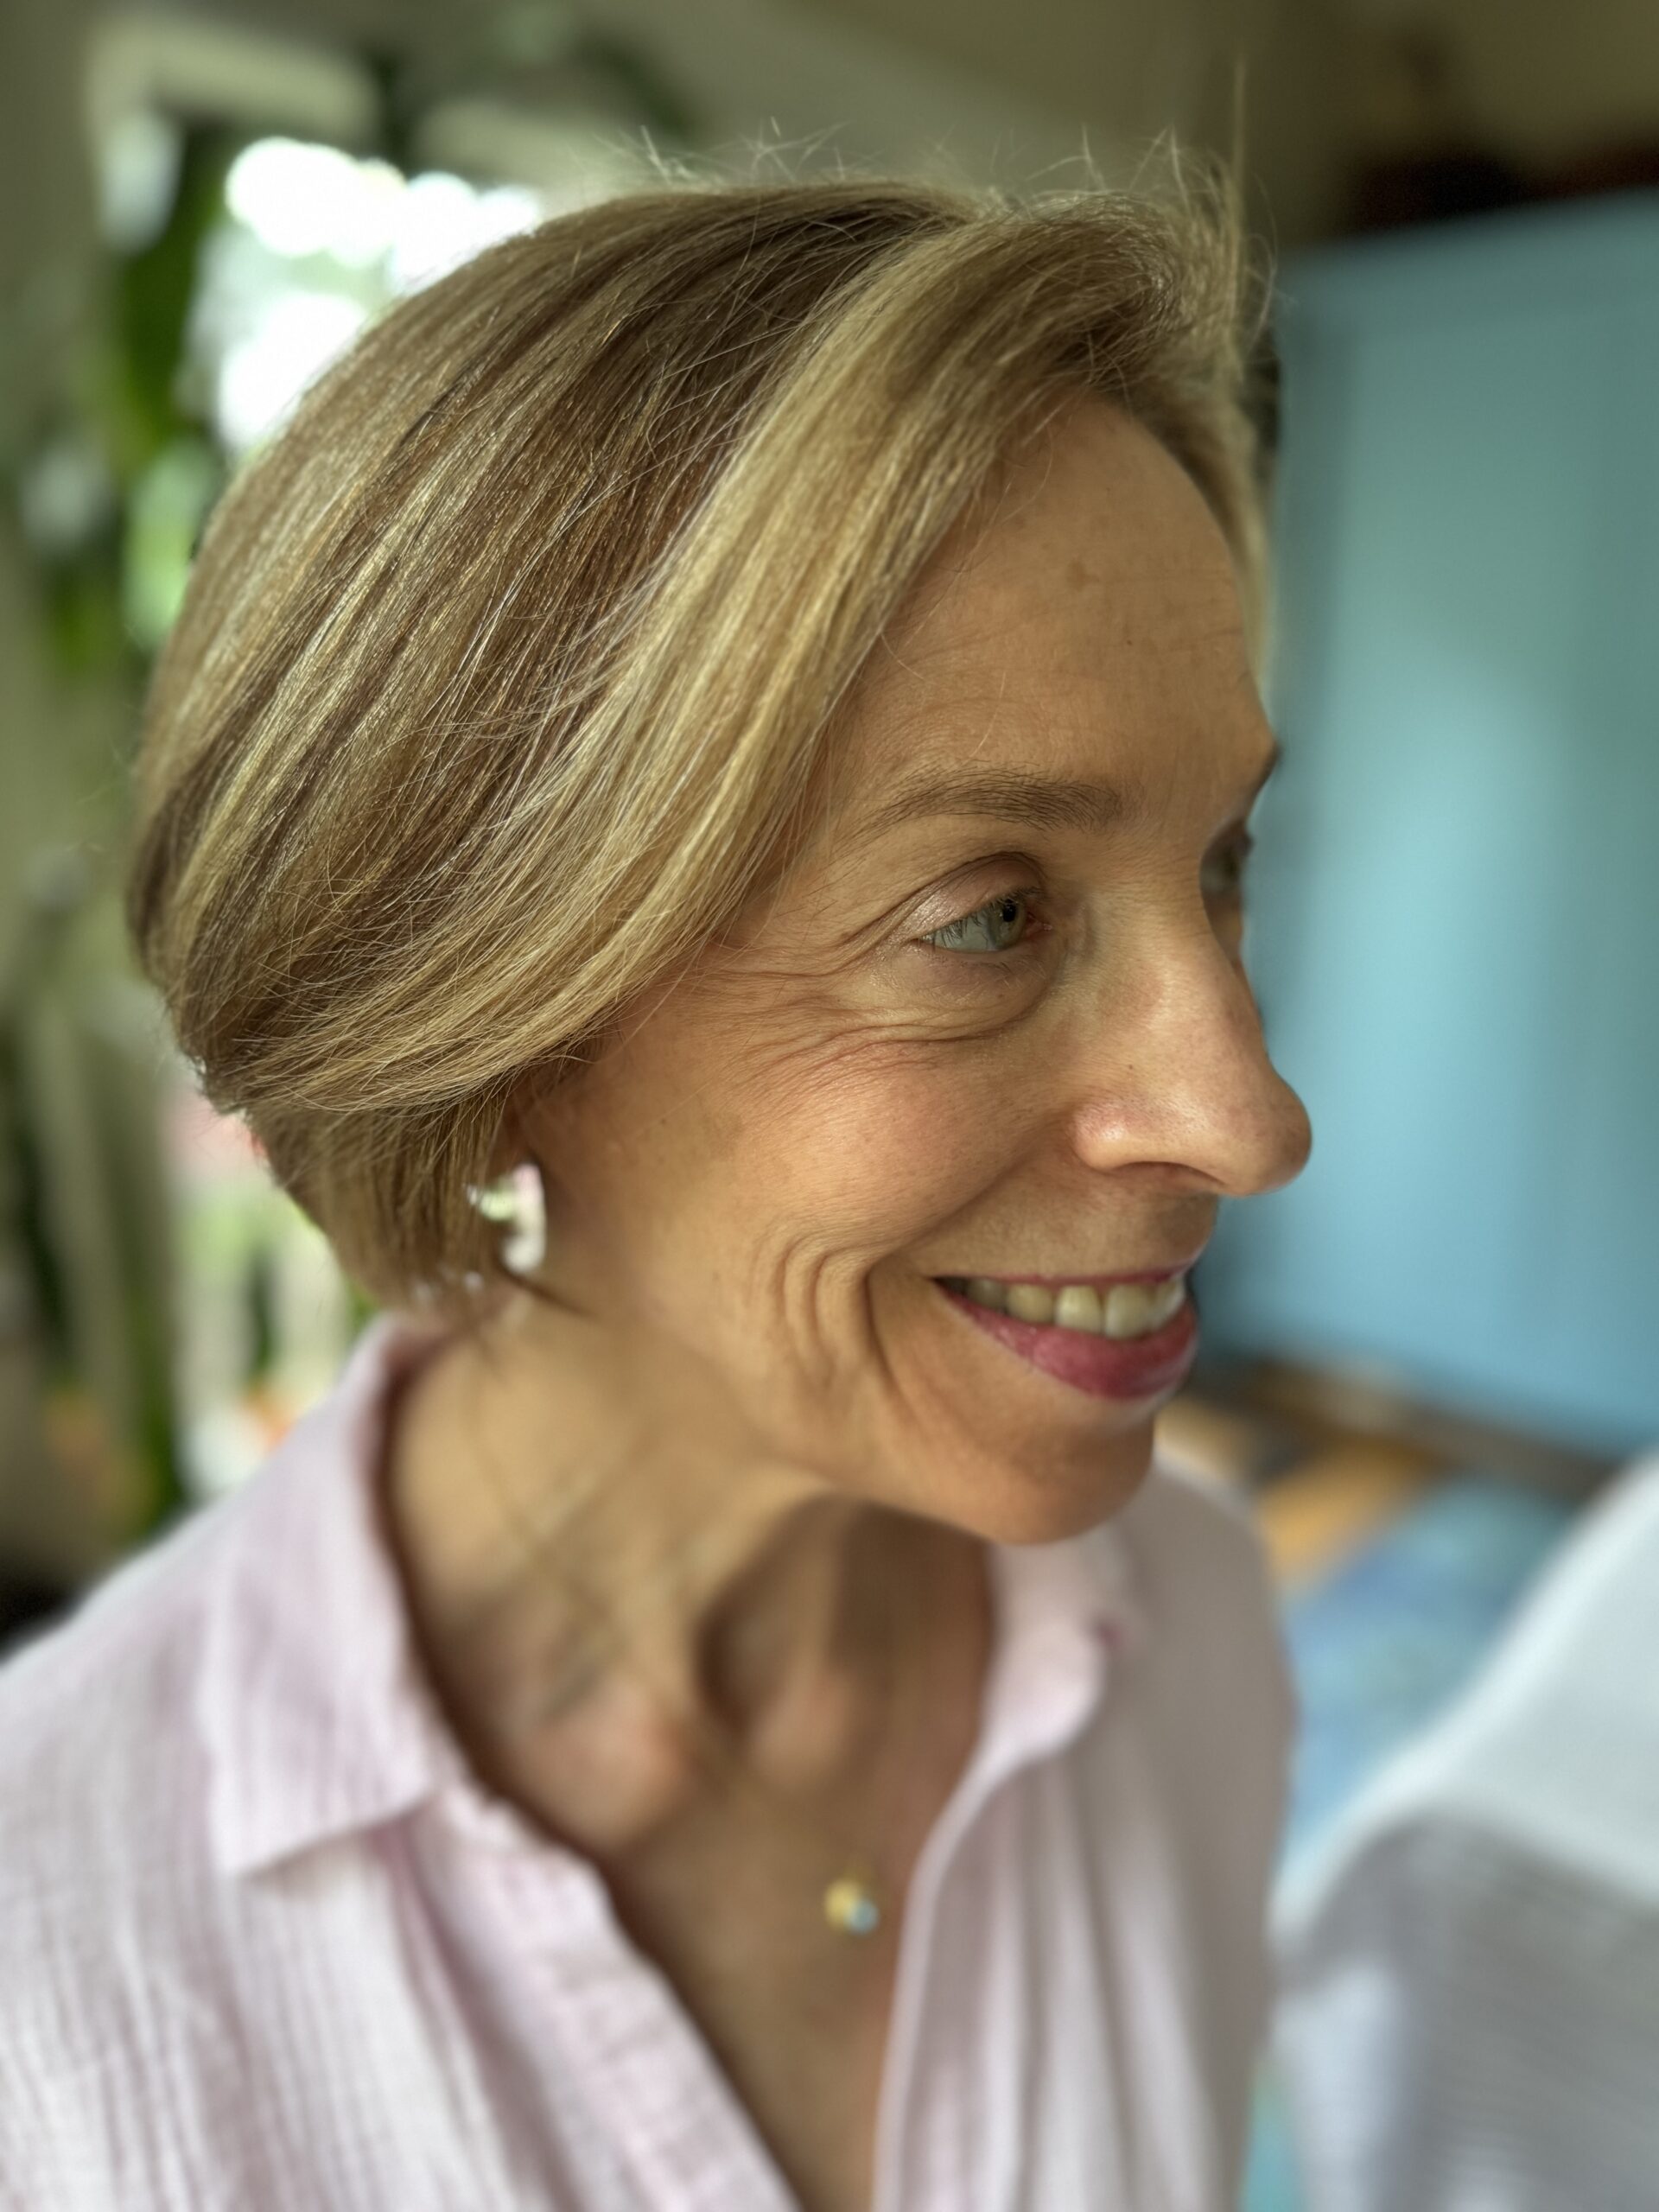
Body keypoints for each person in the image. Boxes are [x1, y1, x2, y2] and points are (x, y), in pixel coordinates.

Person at [0, 159, 1312, 2211]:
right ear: (497, 1017)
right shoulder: (52, 1976)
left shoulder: (1197, 1645)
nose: (1244, 1114)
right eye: (987, 914)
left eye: (1219, 863)